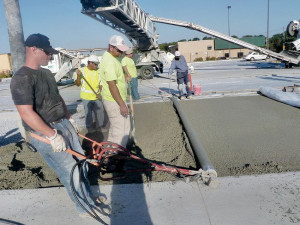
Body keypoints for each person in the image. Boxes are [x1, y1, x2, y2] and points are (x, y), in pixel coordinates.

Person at [10, 33, 99, 218]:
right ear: (33, 49)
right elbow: (26, 113)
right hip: (45, 133)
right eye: (47, 52)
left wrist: (70, 119)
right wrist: (52, 135)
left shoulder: (46, 73)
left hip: (63, 124)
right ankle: (85, 209)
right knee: (70, 171)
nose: (50, 56)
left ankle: (88, 197)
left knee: (82, 165)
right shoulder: (22, 78)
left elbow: (57, 98)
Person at [99, 35, 130, 147]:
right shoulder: (109, 61)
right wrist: (121, 105)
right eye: (119, 50)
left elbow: (115, 78)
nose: (121, 53)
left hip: (116, 99)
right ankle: (116, 157)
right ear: (111, 47)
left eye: (122, 51)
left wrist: (124, 76)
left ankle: (109, 151)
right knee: (120, 131)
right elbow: (112, 85)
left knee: (118, 127)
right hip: (114, 101)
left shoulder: (113, 58)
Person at [75, 55, 105, 133]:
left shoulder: (98, 71)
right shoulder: (81, 71)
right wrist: (78, 76)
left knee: (100, 112)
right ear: (90, 63)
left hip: (96, 96)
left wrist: (99, 93)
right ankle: (90, 129)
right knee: (88, 114)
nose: (97, 66)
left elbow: (101, 83)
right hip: (86, 98)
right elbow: (77, 84)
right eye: (95, 64)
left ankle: (100, 127)